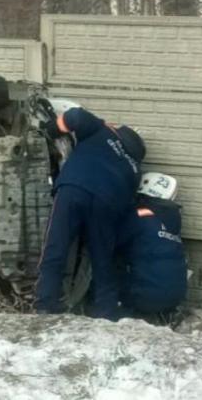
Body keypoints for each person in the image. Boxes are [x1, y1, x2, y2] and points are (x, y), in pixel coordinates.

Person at [35, 105, 145, 319]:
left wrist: (51, 129)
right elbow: (127, 208)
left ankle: (45, 303)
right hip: (107, 205)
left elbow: (75, 116)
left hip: (75, 188)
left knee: (56, 247)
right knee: (103, 257)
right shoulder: (135, 170)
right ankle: (106, 309)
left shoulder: (102, 132)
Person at [116, 173, 187, 319]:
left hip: (145, 298)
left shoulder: (139, 215)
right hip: (176, 296)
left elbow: (112, 242)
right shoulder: (172, 219)